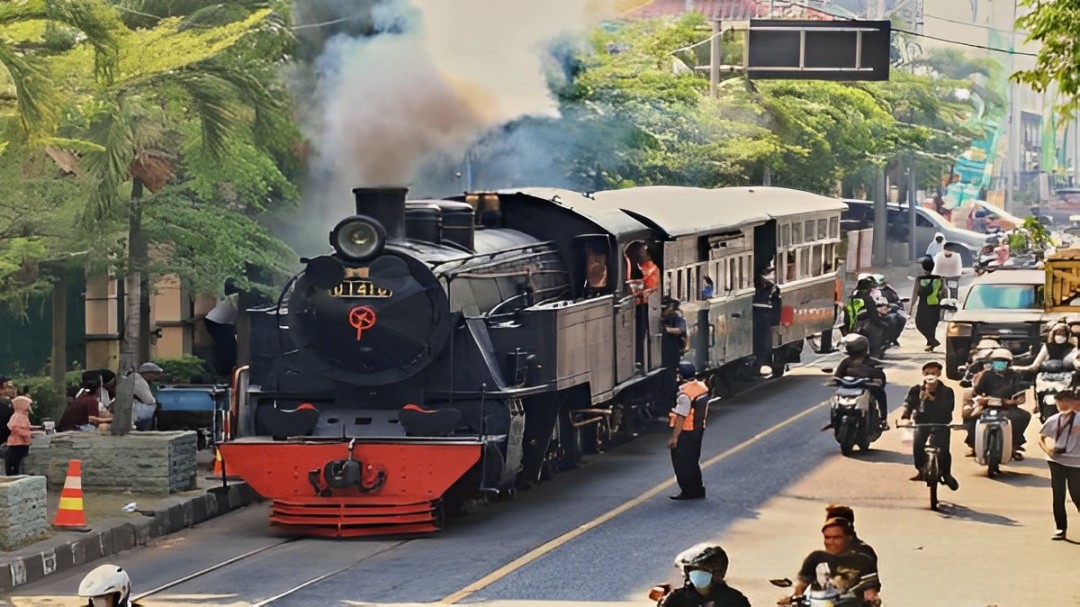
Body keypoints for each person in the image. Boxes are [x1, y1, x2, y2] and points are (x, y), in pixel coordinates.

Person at [779, 517, 881, 606]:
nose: (831, 542)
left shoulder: (863, 561)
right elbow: (801, 587)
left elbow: (870, 593)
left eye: (837, 538)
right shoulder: (816, 557)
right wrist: (791, 598)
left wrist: (873, 601)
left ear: (849, 537)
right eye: (827, 537)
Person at [901, 361, 959, 491]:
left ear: (939, 374)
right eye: (928, 373)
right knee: (917, 445)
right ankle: (921, 470)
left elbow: (949, 408)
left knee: (944, 450)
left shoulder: (947, 391)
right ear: (923, 374)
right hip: (922, 423)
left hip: (941, 424)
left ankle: (946, 473)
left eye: (934, 373)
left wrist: (933, 398)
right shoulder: (916, 390)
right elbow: (909, 405)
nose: (931, 375)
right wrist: (905, 418)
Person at [971, 348, 1031, 460]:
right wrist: (981, 398)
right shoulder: (987, 375)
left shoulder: (1015, 376)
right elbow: (978, 391)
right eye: (996, 361)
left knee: (1024, 416)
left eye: (1002, 362)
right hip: (988, 405)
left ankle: (1013, 445)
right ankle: (974, 445)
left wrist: (1014, 400)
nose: (999, 364)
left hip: (1009, 406)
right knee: (973, 418)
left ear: (1008, 364)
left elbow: (1019, 392)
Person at [1039, 391, 1080, 541]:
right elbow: (1041, 437)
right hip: (1056, 462)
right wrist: (1047, 449)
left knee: (1076, 493)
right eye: (1058, 403)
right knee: (1058, 495)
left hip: (1077, 463)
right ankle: (1061, 528)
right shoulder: (1054, 420)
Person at [660, 544, 751, 607]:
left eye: (704, 570)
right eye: (693, 569)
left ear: (717, 573)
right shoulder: (677, 598)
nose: (697, 573)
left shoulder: (734, 600)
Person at [668, 361, 709, 500]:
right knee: (693, 461)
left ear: (680, 376)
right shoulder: (701, 387)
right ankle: (698, 489)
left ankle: (688, 491)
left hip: (686, 431)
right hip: (698, 429)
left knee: (682, 463)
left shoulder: (684, 394)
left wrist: (674, 438)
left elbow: (681, 417)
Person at [835, 334, 889, 430]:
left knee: (880, 393)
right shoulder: (847, 362)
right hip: (848, 388)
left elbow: (880, 377)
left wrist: (878, 381)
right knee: (835, 401)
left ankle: (883, 419)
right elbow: (837, 376)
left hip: (864, 387)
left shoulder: (867, 362)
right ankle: (835, 419)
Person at [204, 278, 240, 376]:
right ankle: (226, 373)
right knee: (227, 347)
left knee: (227, 346)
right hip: (217, 322)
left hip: (216, 321)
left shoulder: (233, 297)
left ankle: (226, 372)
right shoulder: (236, 297)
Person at [844, 276, 887, 358]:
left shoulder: (851, 299)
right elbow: (874, 316)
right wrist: (882, 324)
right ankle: (875, 353)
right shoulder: (867, 299)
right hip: (863, 328)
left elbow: (846, 317)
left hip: (851, 328)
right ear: (866, 289)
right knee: (878, 330)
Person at [910, 256, 945, 352]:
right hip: (935, 306)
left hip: (924, 306)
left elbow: (914, 294)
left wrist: (910, 308)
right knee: (932, 326)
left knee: (919, 324)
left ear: (923, 267)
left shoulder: (920, 279)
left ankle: (932, 341)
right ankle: (930, 342)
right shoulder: (939, 278)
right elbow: (944, 292)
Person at [660, 297, 689, 404]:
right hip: (666, 353)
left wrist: (666, 330)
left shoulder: (677, 316)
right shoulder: (666, 316)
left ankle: (671, 401)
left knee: (670, 379)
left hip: (672, 352)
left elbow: (681, 330)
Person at [752, 266, 781, 375]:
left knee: (760, 342)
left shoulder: (760, 285)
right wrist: (776, 321)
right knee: (763, 342)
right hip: (765, 317)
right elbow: (777, 304)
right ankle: (758, 365)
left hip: (757, 316)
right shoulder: (772, 288)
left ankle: (758, 364)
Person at [5, 395, 32, 476]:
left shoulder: (23, 416)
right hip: (16, 443)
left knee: (18, 462)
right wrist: (26, 436)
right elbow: (15, 428)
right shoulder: (17, 416)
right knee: (15, 463)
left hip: (21, 443)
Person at [133, 363, 163, 431]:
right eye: (155, 374)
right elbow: (149, 400)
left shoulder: (134, 377)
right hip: (135, 410)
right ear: (148, 373)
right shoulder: (139, 381)